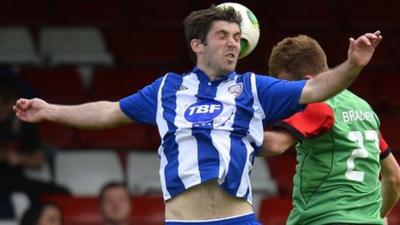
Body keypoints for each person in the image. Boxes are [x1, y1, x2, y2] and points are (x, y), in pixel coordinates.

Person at [13, 5, 382, 225]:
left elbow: (316, 89)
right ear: (197, 44)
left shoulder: (254, 87)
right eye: (223, 35)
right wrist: (50, 110)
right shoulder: (165, 89)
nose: (233, 42)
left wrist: (352, 64)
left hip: (237, 219)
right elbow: (110, 111)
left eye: (238, 36)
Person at [261, 35, 400, 225]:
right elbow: (394, 177)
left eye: (287, 88)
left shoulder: (315, 103)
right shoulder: (363, 108)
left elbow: (275, 145)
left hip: (324, 219)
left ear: (307, 81)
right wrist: (375, 216)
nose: (285, 96)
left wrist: (219, 132)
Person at [0, 74, 69, 219]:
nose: (1, 106)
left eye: (5, 101)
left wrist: (19, 159)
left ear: (13, 101)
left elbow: (38, 161)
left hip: (13, 178)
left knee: (61, 192)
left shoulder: (23, 123)